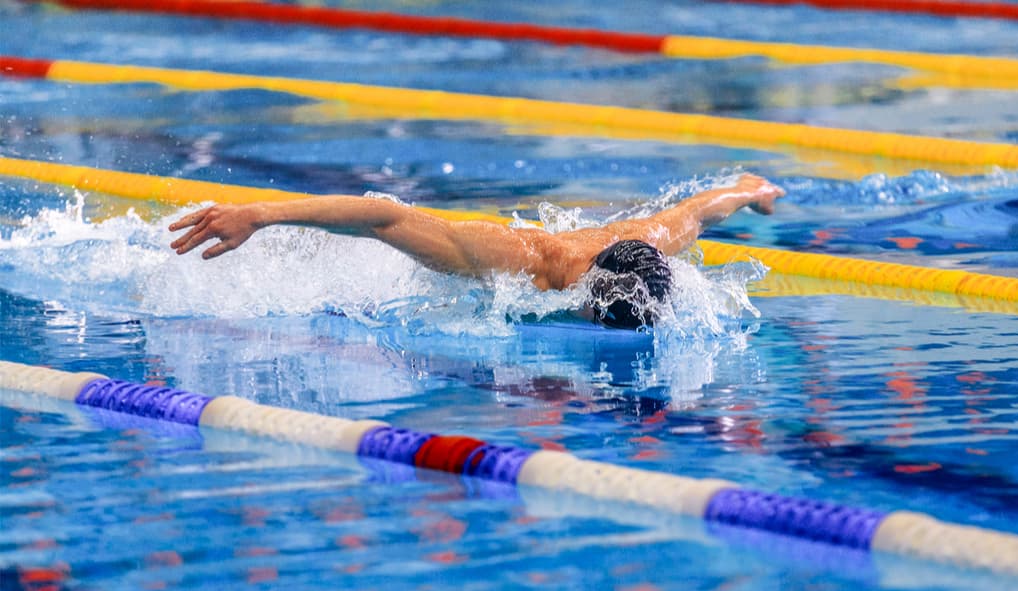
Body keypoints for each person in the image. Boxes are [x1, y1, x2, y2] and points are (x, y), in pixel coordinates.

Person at [169, 173, 786, 329]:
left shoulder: (652, 244)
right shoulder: (511, 258)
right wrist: (259, 214)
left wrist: (754, 192)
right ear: (586, 296)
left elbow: (706, 207)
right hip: (383, 277)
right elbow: (385, 215)